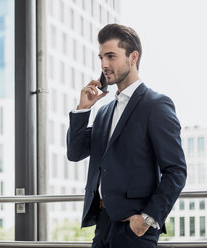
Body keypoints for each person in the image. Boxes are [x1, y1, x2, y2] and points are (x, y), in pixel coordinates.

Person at [66, 23, 187, 248]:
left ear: (133, 57)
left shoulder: (156, 105)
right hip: (102, 226)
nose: (104, 64)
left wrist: (146, 220)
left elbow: (176, 171)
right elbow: (75, 153)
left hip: (135, 229)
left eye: (111, 56)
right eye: (101, 57)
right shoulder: (103, 112)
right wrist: (83, 110)